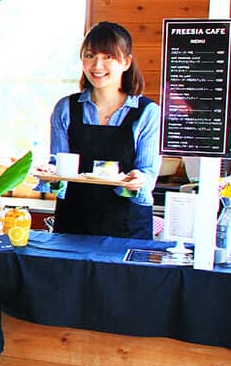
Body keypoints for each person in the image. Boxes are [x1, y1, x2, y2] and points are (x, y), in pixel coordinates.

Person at [46, 21, 161, 239]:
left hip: (128, 228)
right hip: (73, 226)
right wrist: (51, 175)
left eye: (108, 56)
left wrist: (138, 180)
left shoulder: (147, 113)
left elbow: (147, 175)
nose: (97, 65)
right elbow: (58, 173)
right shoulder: (65, 109)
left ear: (126, 62)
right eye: (90, 56)